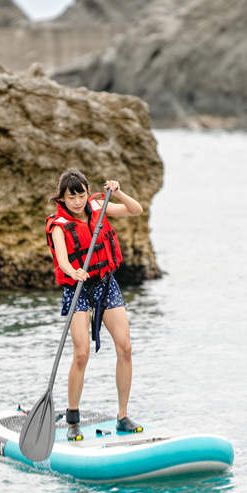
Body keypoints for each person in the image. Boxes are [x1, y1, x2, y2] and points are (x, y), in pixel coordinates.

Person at [45, 168, 144, 441]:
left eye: (81, 195)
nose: (77, 202)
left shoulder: (99, 207)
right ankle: (73, 417)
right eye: (71, 197)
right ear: (62, 199)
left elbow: (135, 210)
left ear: (88, 193)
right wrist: (72, 270)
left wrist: (119, 191)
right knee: (81, 354)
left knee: (125, 347)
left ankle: (122, 416)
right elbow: (63, 259)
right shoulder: (58, 225)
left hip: (105, 284)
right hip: (77, 289)